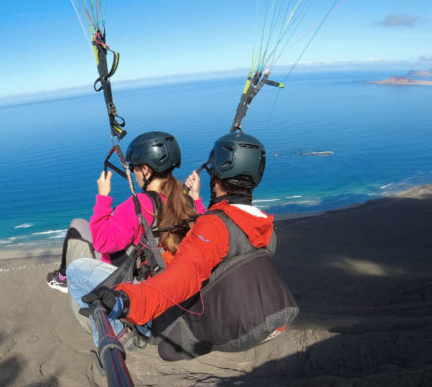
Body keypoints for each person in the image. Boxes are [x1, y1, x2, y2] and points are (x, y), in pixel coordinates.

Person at [82, 131, 298, 360]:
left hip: (181, 324)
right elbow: (220, 246)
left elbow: (185, 275)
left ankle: (113, 333)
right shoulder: (264, 228)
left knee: (79, 271)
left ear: (216, 176)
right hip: (243, 315)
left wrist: (127, 301)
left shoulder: (215, 227)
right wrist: (196, 202)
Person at [53, 130, 205, 344]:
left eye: (134, 167)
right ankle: (61, 278)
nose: (133, 172)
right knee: (79, 228)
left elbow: (103, 241)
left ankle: (115, 329)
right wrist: (197, 199)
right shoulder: (184, 197)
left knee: (76, 251)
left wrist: (103, 198)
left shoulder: (140, 205)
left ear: (145, 169)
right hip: (161, 276)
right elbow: (202, 227)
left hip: (134, 283)